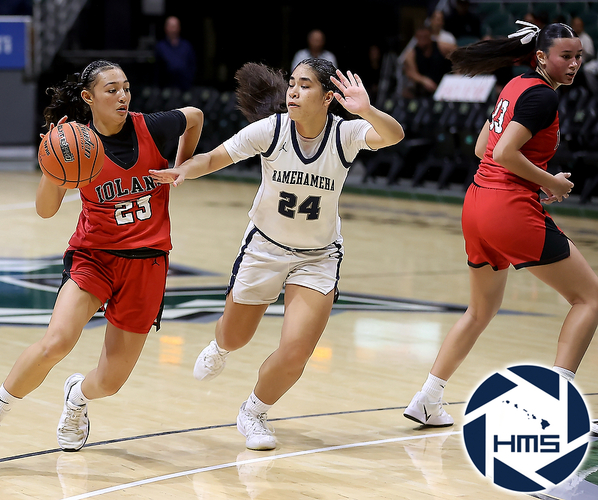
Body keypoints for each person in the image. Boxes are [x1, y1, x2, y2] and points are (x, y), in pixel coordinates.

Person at [0, 60, 203, 460]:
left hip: (147, 262)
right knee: (56, 342)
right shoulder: (77, 143)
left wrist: (182, 166)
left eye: (126, 88)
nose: (122, 96)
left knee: (110, 382)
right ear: (89, 97)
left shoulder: (150, 127)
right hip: (94, 257)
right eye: (112, 90)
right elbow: (45, 210)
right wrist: (52, 166)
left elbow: (195, 116)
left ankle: (77, 396)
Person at [150, 58, 404, 450]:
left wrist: (367, 110)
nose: (294, 92)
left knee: (297, 351)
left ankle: (253, 412)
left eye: (305, 85)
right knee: (235, 336)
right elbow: (215, 157)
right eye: (292, 84)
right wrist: (185, 169)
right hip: (265, 248)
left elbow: (393, 135)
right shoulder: (272, 130)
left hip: (317, 256)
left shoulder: (345, 133)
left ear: (328, 98)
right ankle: (220, 347)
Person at [402, 21, 598, 436]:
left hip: (477, 205)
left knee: (480, 311)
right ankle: (557, 406)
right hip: (507, 209)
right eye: (566, 56)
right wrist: (551, 182)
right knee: (590, 299)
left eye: (578, 56)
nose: (574, 63)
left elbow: (483, 148)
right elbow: (505, 152)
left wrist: (535, 182)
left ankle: (428, 399)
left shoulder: (514, 86)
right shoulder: (542, 96)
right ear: (541, 57)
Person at [402, 26, 454, 97]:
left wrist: (457, 75)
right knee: (407, 92)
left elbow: (459, 56)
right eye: (420, 37)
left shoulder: (443, 47)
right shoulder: (411, 54)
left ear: (430, 36)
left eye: (425, 37)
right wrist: (423, 80)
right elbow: (411, 72)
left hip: (445, 83)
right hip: (425, 87)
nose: (422, 40)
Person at [155, 15, 196, 90]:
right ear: (166, 28)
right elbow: (158, 69)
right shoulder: (160, 46)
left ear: (179, 28)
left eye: (175, 26)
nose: (173, 29)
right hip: (166, 87)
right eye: (171, 26)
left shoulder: (186, 46)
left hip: (184, 87)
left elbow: (192, 65)